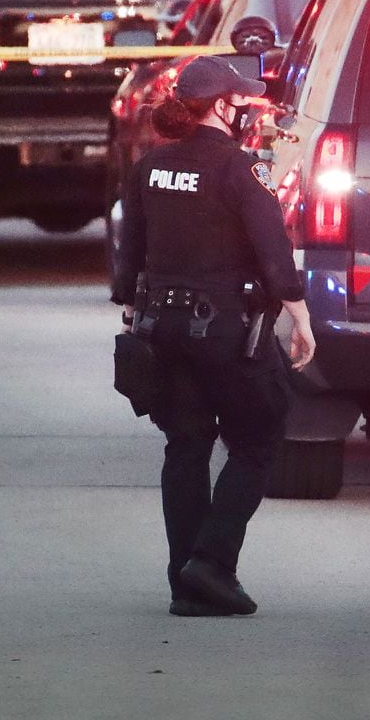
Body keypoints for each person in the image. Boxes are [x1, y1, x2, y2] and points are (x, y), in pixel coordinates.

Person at [112, 56, 316, 618]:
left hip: (160, 327)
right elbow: (273, 252)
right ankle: (212, 563)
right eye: (242, 101)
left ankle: (185, 582)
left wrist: (132, 316)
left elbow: (128, 257)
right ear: (222, 107)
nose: (248, 109)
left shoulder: (149, 167)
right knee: (256, 440)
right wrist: (298, 316)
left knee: (186, 445)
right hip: (225, 329)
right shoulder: (239, 169)